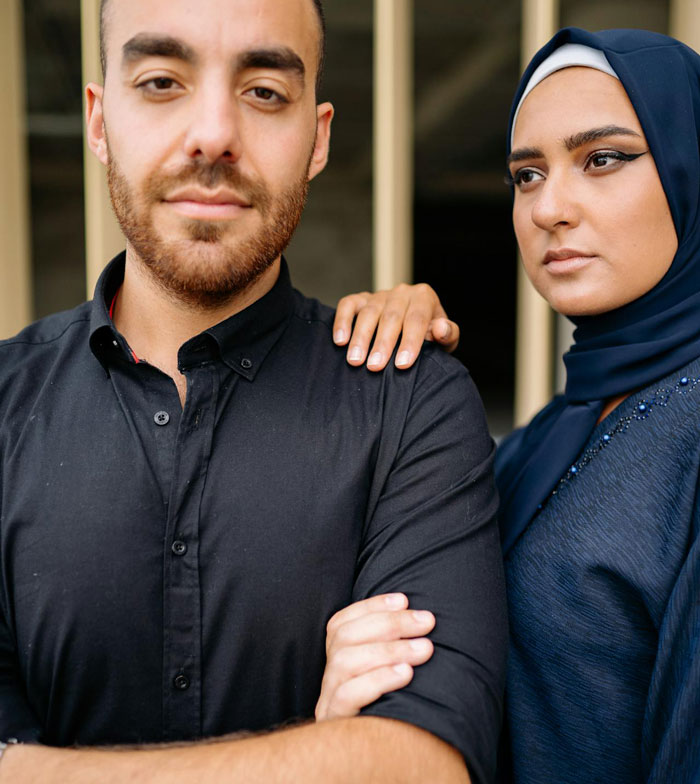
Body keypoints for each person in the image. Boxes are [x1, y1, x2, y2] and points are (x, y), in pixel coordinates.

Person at [0, 0, 509, 781]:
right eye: (162, 81)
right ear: (99, 121)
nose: (214, 135)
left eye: (265, 91)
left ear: (318, 138)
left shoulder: (411, 404)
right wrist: (326, 753)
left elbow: (423, 764)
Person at [320, 27, 700, 784]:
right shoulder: (545, 438)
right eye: (527, 174)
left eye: (603, 159)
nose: (549, 207)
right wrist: (399, 385)